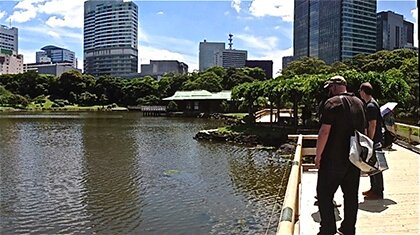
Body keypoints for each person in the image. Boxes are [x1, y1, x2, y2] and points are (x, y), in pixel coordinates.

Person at [315, 75, 367, 235]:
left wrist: (318, 156)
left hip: (332, 159)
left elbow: (324, 132)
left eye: (330, 87)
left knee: (324, 194)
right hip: (353, 158)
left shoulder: (332, 103)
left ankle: (328, 229)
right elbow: (364, 133)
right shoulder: (360, 103)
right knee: (351, 196)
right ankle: (348, 228)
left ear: (335, 86)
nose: (329, 90)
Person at [359, 82, 384, 200]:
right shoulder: (372, 104)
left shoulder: (371, 106)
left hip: (374, 141)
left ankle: (378, 191)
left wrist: (368, 140)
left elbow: (372, 125)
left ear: (363, 91)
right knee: (372, 165)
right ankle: (373, 188)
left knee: (375, 167)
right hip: (375, 140)